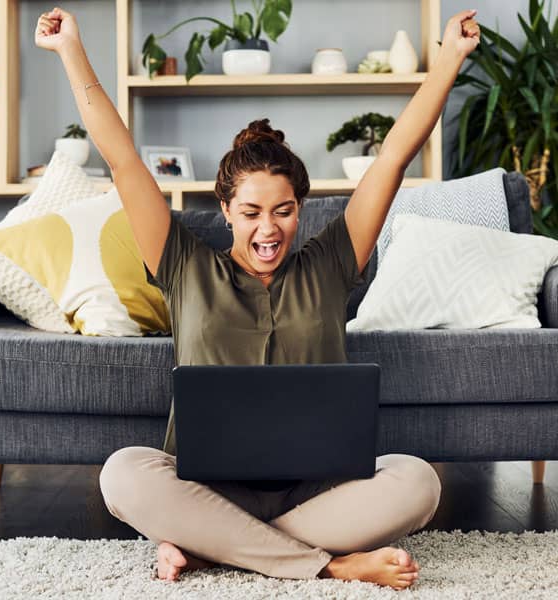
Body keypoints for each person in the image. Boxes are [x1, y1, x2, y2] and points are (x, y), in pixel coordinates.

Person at [35, 6, 480, 590]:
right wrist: (72, 52)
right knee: (123, 475)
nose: (267, 229)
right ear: (225, 211)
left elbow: (392, 158)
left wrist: (448, 57)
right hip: (206, 486)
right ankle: (326, 563)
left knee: (417, 481)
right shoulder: (184, 264)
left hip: (317, 489)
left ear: (301, 208)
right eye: (249, 213)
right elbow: (123, 161)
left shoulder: (330, 262)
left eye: (283, 211)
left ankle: (216, 547)